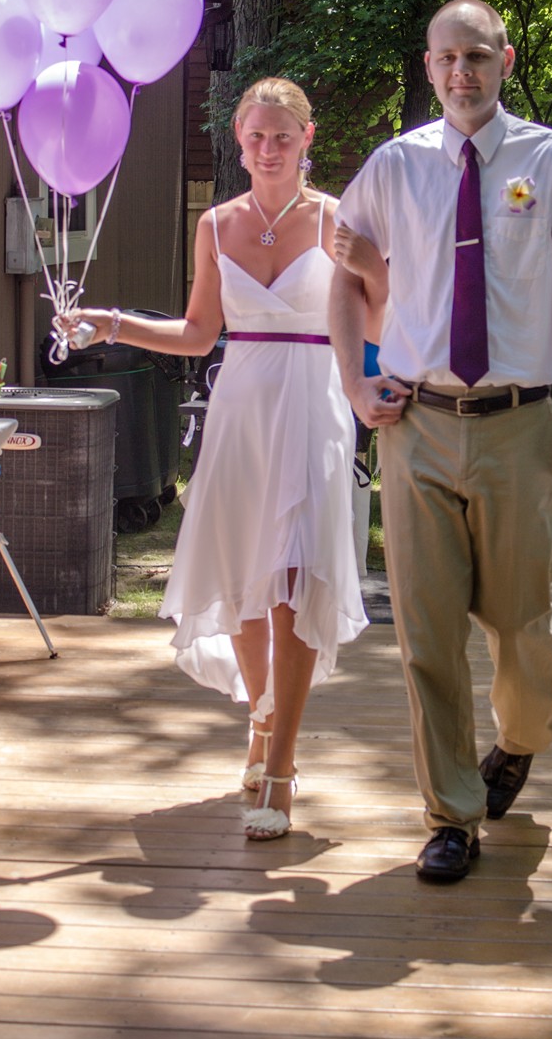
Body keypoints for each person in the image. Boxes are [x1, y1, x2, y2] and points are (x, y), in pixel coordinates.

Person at [329, 0, 552, 883]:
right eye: (448, 58)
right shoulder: (394, 165)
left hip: (519, 425)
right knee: (425, 634)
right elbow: (344, 274)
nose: (463, 72)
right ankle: (451, 814)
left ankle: (522, 737)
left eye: (479, 56)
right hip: (415, 428)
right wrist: (355, 383)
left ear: (506, 60)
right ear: (429, 66)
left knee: (520, 624)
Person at [62, 77, 385, 840]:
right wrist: (112, 323)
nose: (269, 150)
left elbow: (380, 321)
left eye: (282, 137)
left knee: (294, 578)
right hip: (241, 407)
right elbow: (200, 333)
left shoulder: (337, 219)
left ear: (307, 140)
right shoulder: (214, 225)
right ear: (239, 142)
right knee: (246, 577)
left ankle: (282, 765)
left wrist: (373, 267)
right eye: (256, 138)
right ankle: (262, 721)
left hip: (312, 402)